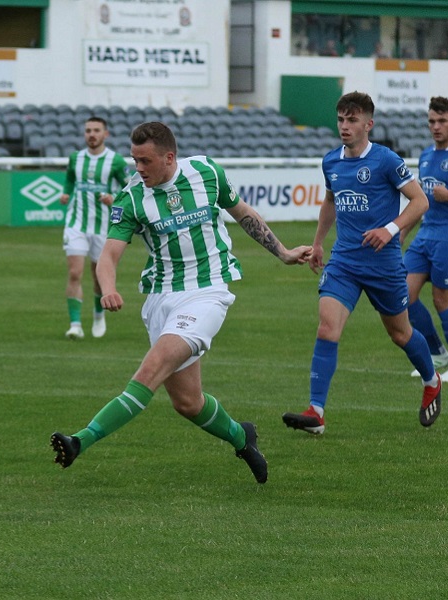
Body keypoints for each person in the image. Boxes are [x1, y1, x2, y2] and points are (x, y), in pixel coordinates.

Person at [50, 122, 312, 483]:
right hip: (161, 298)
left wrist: (282, 252)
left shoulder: (206, 172)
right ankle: (242, 436)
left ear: (169, 157)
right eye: (134, 160)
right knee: (188, 403)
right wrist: (107, 287)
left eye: (145, 161)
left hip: (207, 293)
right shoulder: (132, 198)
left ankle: (80, 440)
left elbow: (243, 213)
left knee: (149, 370)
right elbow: (109, 256)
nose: (138, 168)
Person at [282, 91, 442, 436]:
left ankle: (432, 380)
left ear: (368, 124)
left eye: (352, 120)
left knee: (400, 334)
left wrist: (390, 229)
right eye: (341, 119)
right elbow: (330, 201)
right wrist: (319, 243)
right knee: (327, 328)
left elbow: (420, 201)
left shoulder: (386, 160)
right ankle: (317, 412)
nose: (345, 126)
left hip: (384, 266)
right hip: (344, 263)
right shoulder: (331, 162)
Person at [401, 96, 448, 383]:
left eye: (442, 120)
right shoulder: (426, 156)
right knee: (402, 295)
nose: (436, 126)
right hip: (426, 234)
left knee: (443, 300)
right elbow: (421, 200)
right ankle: (436, 352)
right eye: (432, 121)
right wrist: (404, 231)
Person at [59, 116, 130, 340]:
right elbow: (70, 178)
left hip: (103, 227)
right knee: (74, 272)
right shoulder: (75, 158)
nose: (92, 134)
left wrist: (114, 197)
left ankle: (99, 315)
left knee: (98, 275)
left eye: (96, 130)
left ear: (105, 134)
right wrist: (66, 192)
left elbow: (131, 190)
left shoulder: (116, 161)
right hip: (76, 224)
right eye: (88, 130)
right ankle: (75, 325)